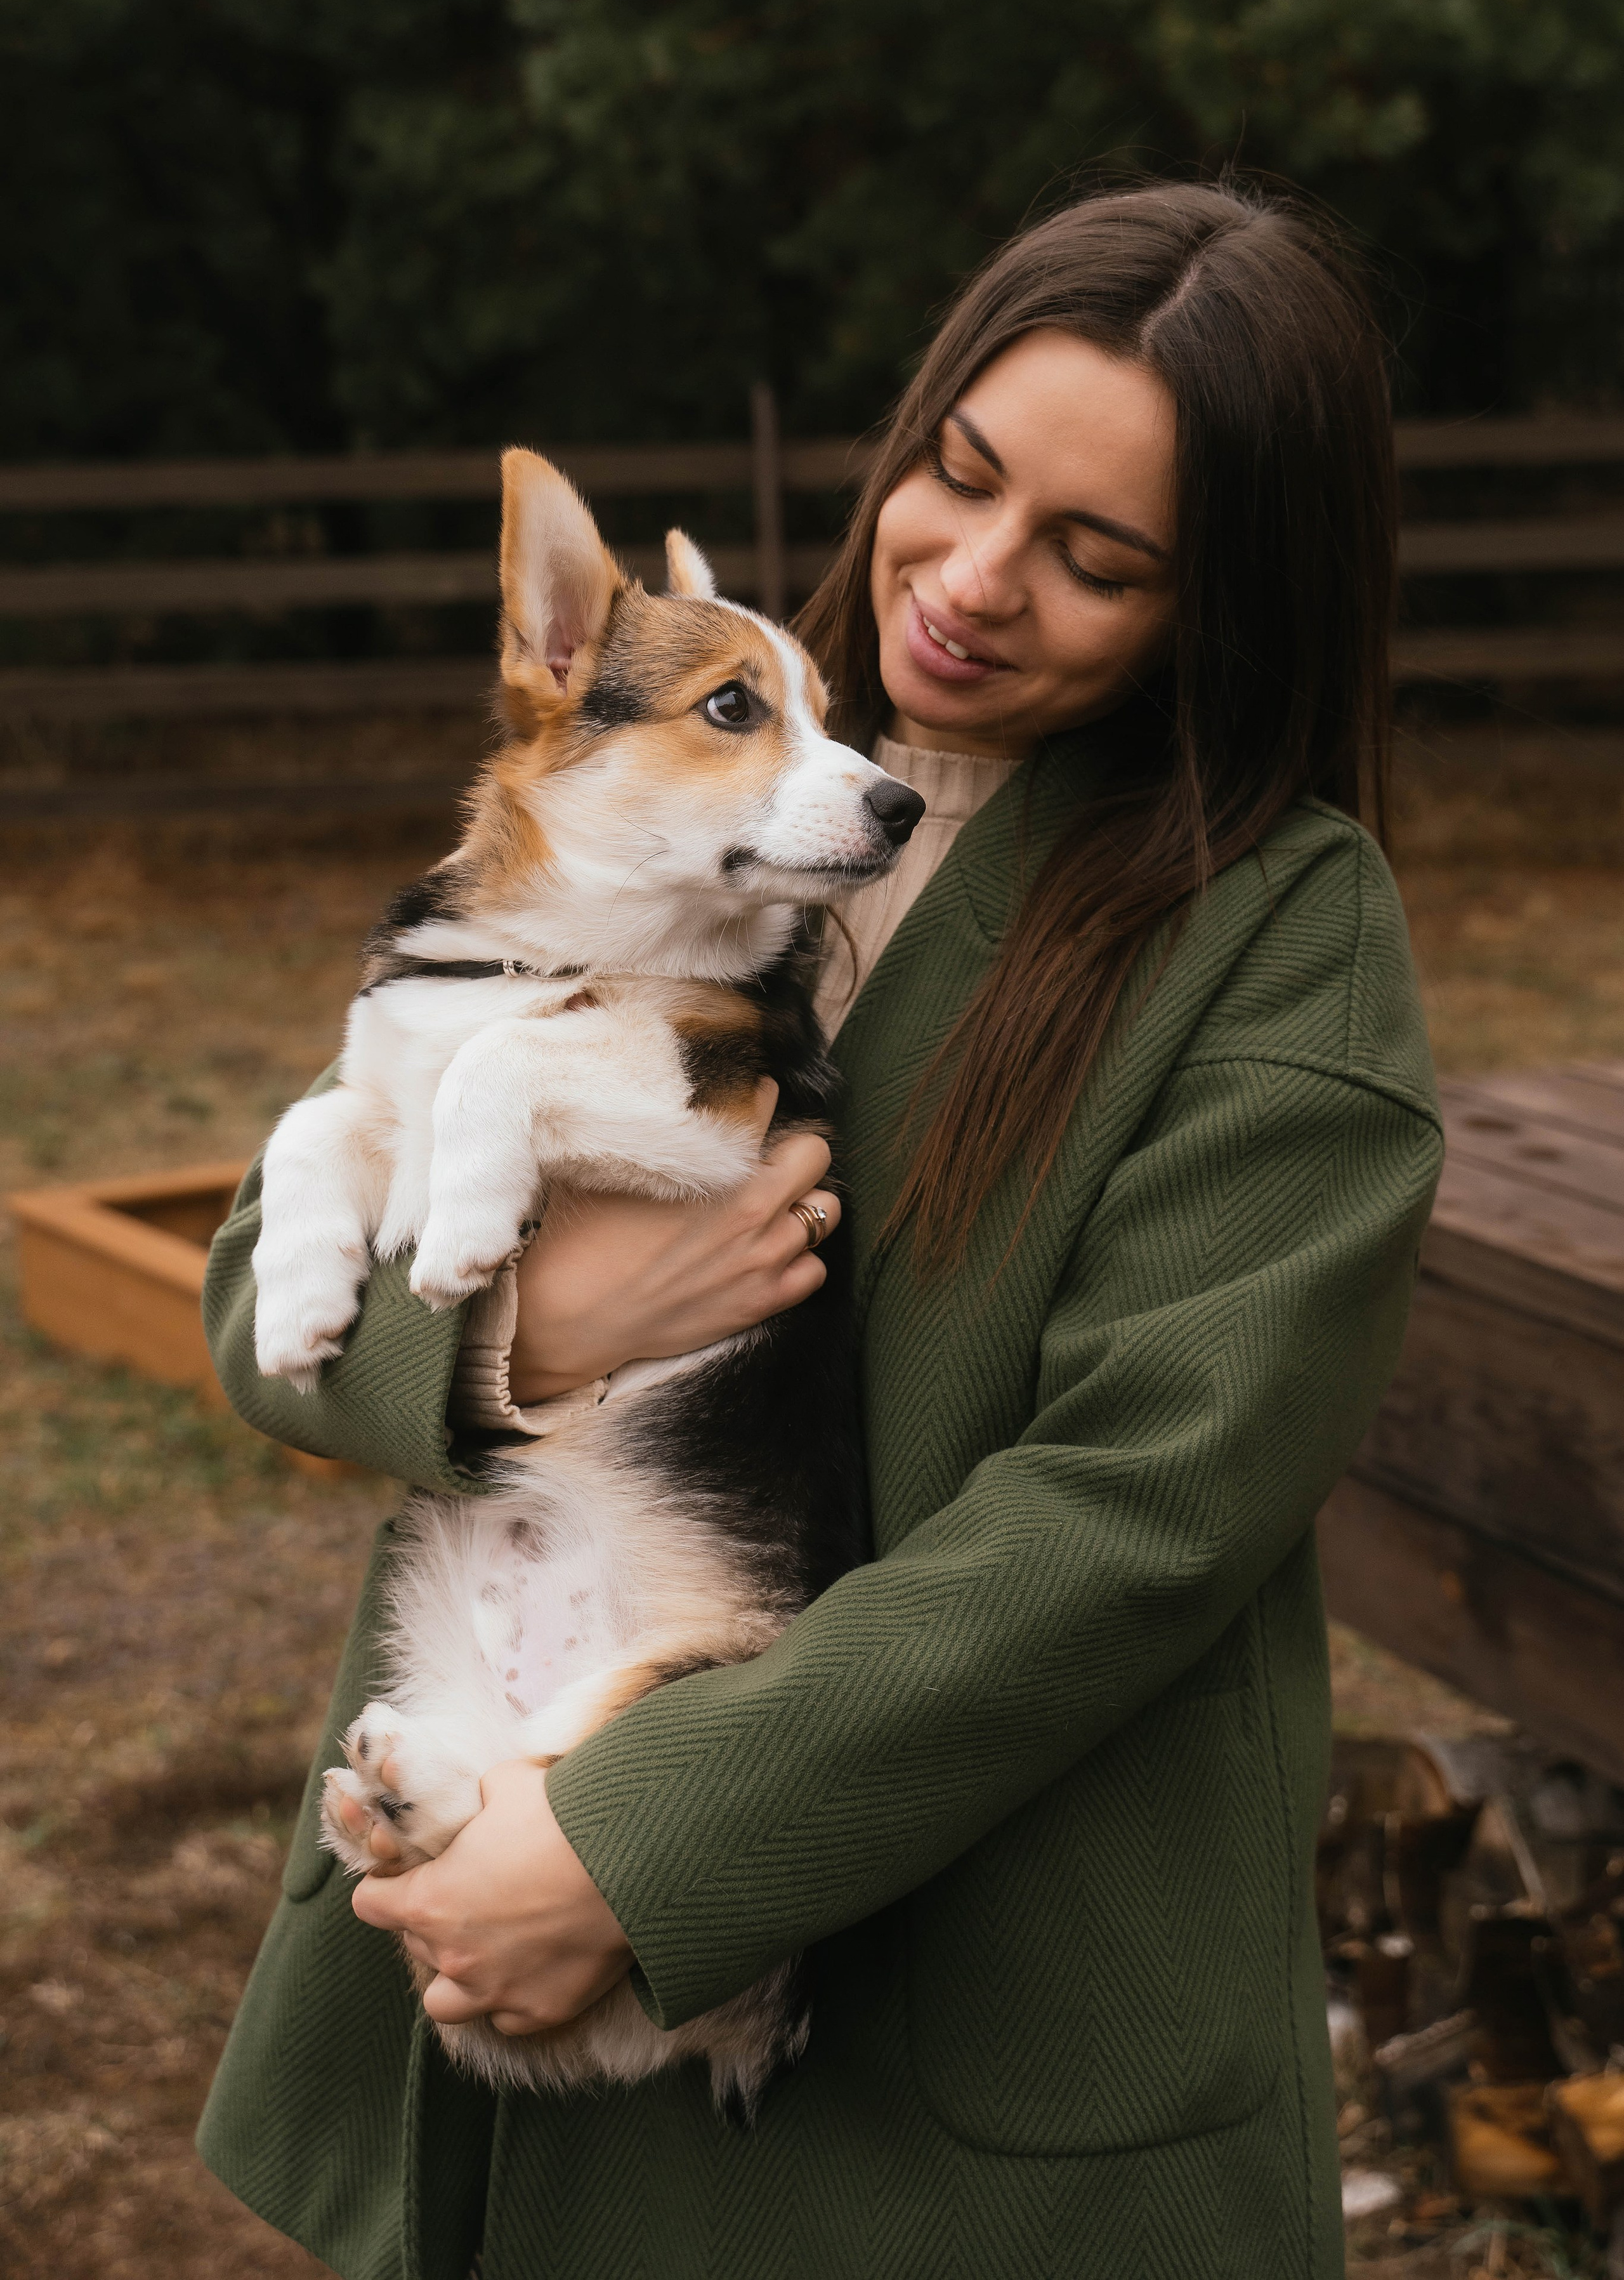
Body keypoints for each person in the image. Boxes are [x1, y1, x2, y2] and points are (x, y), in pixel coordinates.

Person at [196, 178, 1442, 2279]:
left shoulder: (1280, 936)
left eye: (1097, 560)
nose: (972, 577)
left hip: (932, 2042)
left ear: (1224, 607)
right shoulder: (719, 752)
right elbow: (266, 1293)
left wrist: (626, 1847)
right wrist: (528, 1337)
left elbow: (1136, 1514)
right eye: (960, 471)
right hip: (487, 1831)